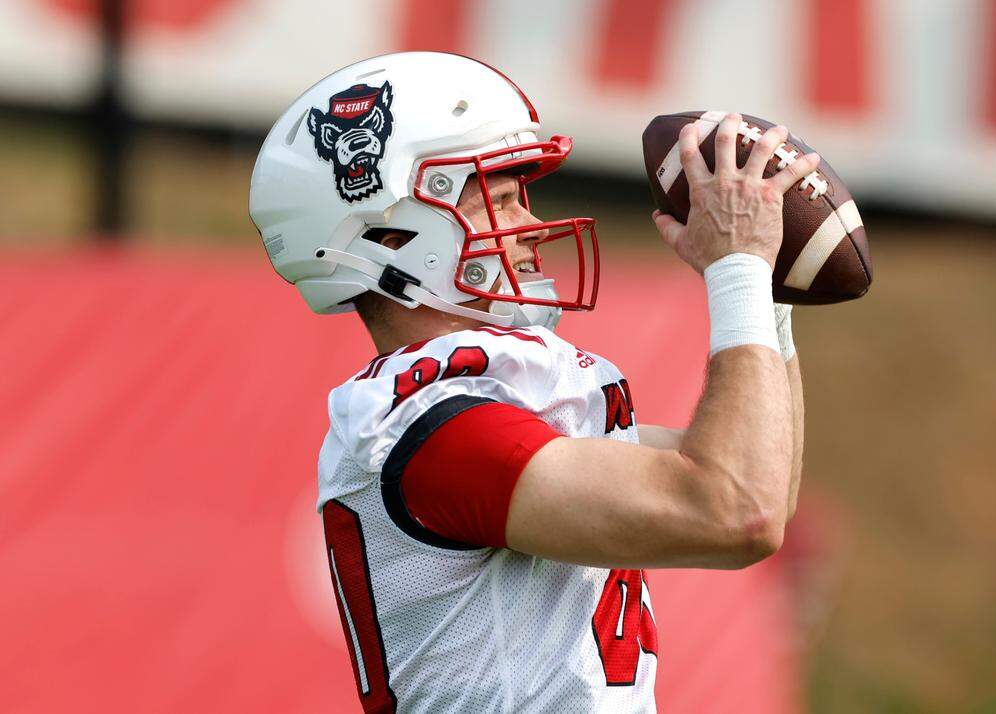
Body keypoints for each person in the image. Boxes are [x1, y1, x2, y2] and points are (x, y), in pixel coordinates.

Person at [250, 51, 816, 714]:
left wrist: (767, 300)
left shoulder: (489, 399)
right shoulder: (430, 423)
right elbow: (732, 509)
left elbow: (765, 488)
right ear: (393, 232)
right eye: (504, 199)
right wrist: (736, 269)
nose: (528, 231)